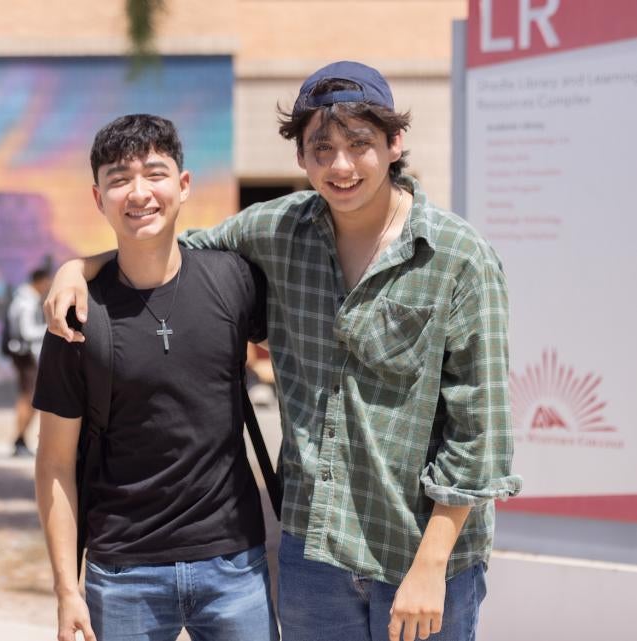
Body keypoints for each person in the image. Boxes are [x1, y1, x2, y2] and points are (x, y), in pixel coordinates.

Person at [44, 62, 522, 641]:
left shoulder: (459, 257)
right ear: (301, 157)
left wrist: (430, 566)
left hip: (420, 556)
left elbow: (481, 434)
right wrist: (77, 266)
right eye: (322, 148)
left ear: (396, 143)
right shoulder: (278, 230)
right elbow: (163, 248)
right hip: (314, 557)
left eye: (360, 145)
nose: (340, 166)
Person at [33, 114, 276, 641]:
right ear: (98, 198)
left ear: (183, 186)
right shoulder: (75, 318)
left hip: (234, 562)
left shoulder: (232, 280)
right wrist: (65, 590)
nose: (139, 192)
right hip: (123, 575)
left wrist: (76, 262)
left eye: (155, 174)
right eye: (119, 179)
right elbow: (53, 464)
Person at [5, 267, 51, 457]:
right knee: (28, 398)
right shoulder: (26, 302)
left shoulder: (23, 299)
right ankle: (20, 439)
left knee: (29, 398)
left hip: (25, 356)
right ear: (39, 281)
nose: (48, 286)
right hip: (26, 356)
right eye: (47, 282)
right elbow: (26, 332)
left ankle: (21, 440)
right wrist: (50, 328)